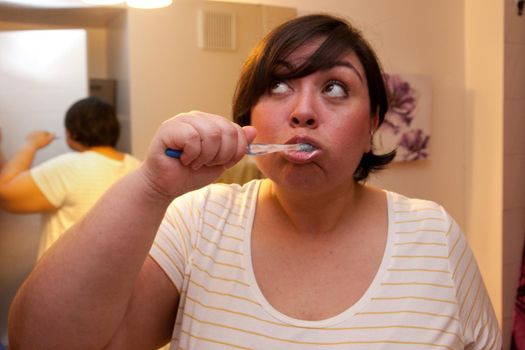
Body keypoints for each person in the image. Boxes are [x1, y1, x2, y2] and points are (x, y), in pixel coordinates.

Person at [8, 14, 501, 350]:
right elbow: (42, 341)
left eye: (334, 87)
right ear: (250, 119)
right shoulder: (197, 222)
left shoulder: (436, 236)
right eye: (278, 85)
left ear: (373, 120)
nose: (303, 111)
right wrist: (150, 187)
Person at [0, 96, 141, 259]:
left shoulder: (71, 167)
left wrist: (31, 144)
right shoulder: (136, 166)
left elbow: (5, 191)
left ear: (71, 134)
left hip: (65, 281)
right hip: (118, 278)